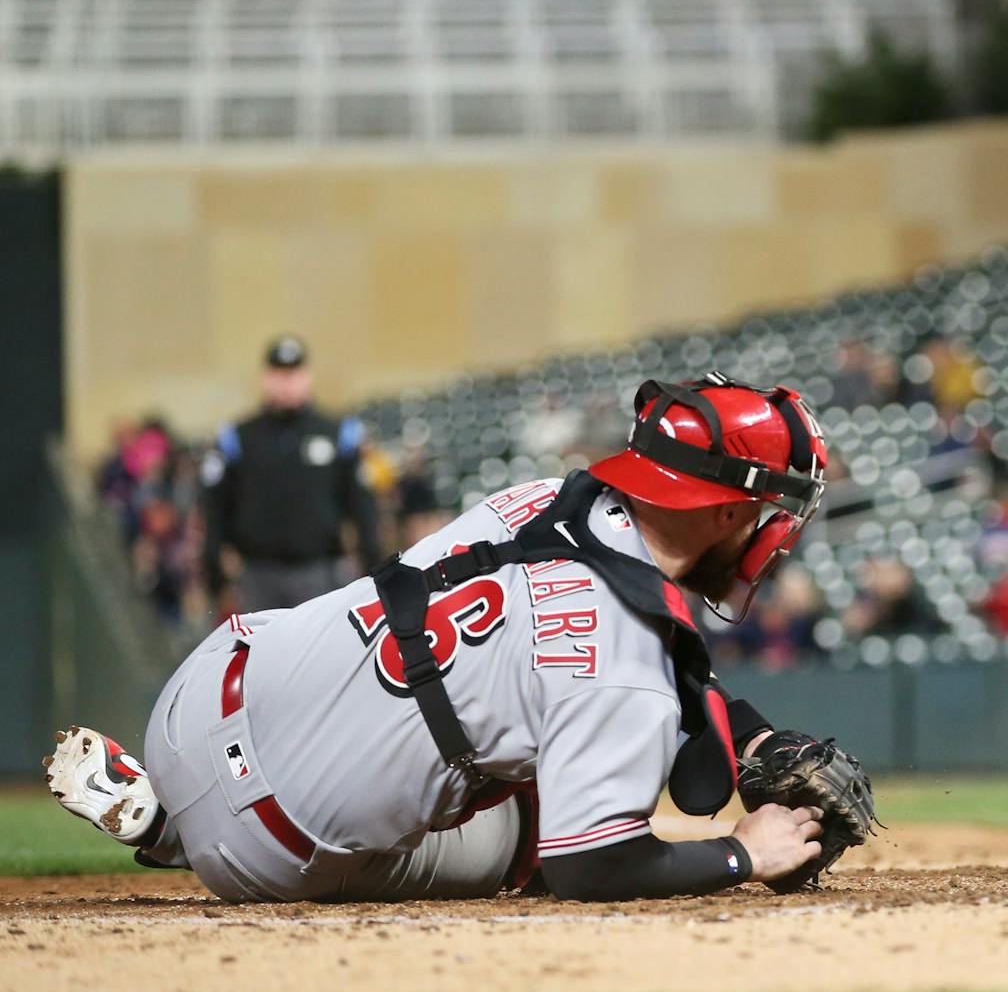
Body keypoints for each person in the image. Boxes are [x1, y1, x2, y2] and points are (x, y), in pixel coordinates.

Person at [44, 374, 871, 903]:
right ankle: (177, 838)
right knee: (534, 824)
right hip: (260, 851)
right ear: (728, 510)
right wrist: (741, 851)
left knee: (484, 698)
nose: (772, 531)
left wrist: (752, 735)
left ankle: (170, 815)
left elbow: (623, 628)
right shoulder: (626, 674)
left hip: (202, 687)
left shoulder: (546, 495)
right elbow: (596, 866)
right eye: (768, 512)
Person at [200, 336, 385, 613]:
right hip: (258, 575)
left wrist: (373, 563)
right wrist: (214, 568)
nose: (286, 383)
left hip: (321, 571)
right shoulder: (239, 438)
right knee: (260, 654)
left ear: (307, 376)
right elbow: (215, 507)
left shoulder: (337, 434)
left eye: (294, 374)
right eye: (278, 375)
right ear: (265, 378)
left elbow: (362, 504)